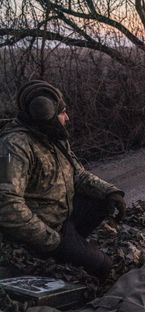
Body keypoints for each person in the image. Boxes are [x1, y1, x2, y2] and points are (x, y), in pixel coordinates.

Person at [0, 80, 126, 277]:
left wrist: (111, 191)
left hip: (63, 220)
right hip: (46, 231)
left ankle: (73, 248)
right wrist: (51, 239)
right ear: (46, 113)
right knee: (105, 267)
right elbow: (7, 205)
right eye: (62, 112)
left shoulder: (53, 136)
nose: (66, 117)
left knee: (102, 201)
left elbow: (79, 174)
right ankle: (60, 254)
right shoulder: (16, 146)